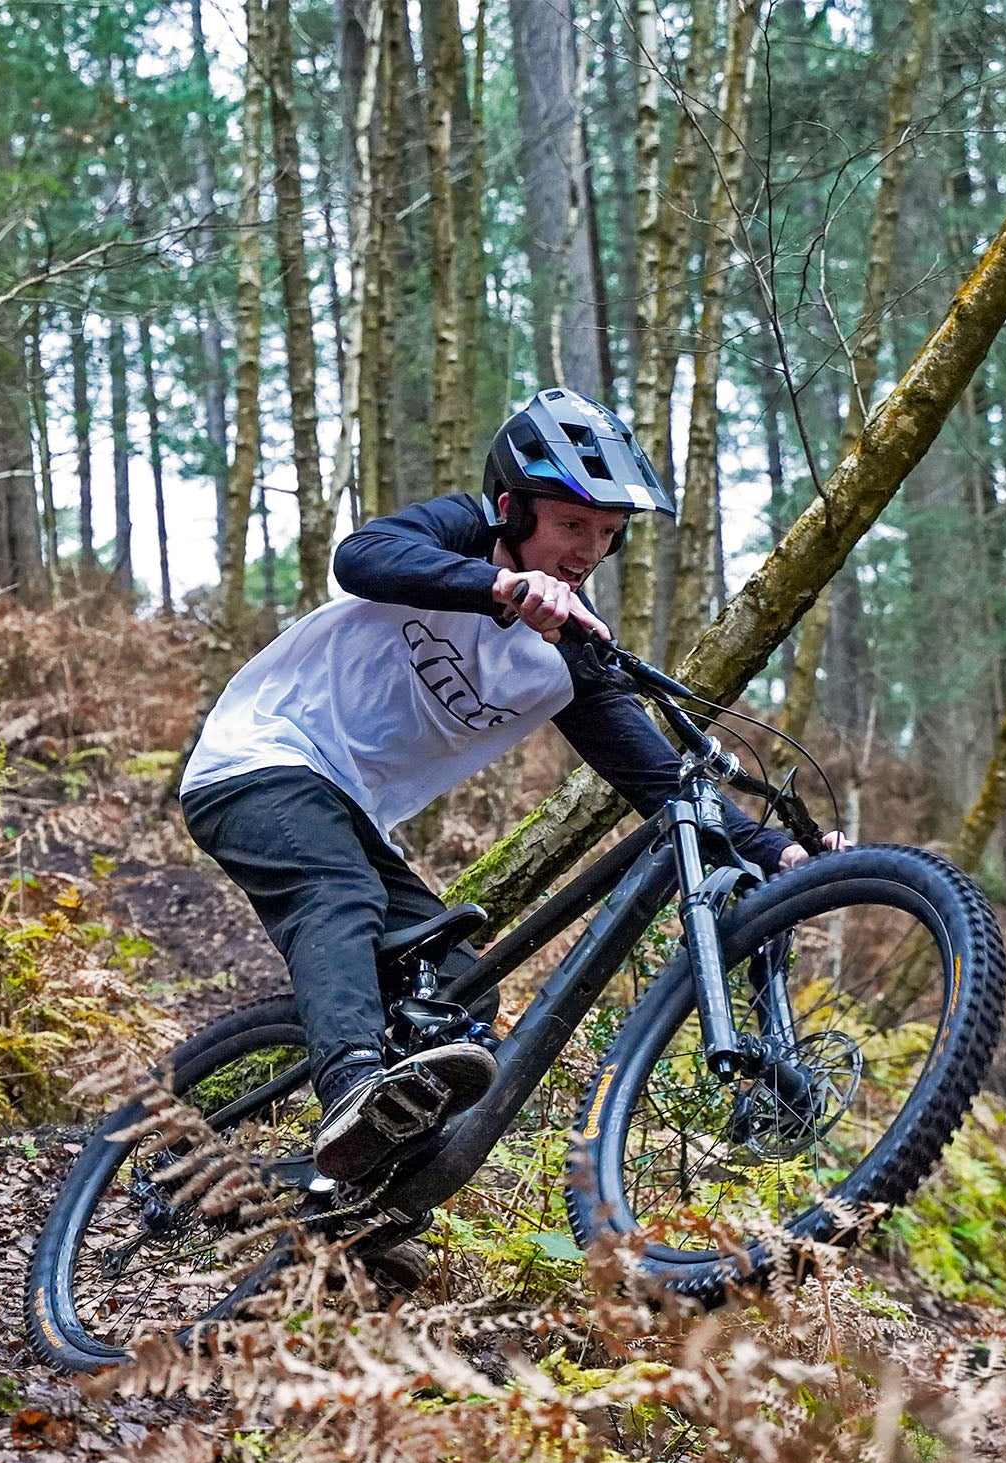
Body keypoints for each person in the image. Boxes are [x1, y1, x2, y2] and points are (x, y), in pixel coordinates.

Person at [180, 387, 834, 1186]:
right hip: (257, 759)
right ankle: (349, 1086)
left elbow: (657, 779)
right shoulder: (458, 535)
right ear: (509, 510)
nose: (587, 551)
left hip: (349, 807)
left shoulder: (569, 656)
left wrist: (781, 850)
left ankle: (354, 1193)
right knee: (337, 898)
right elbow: (361, 556)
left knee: (461, 995)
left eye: (606, 534)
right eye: (570, 525)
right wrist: (499, 590)